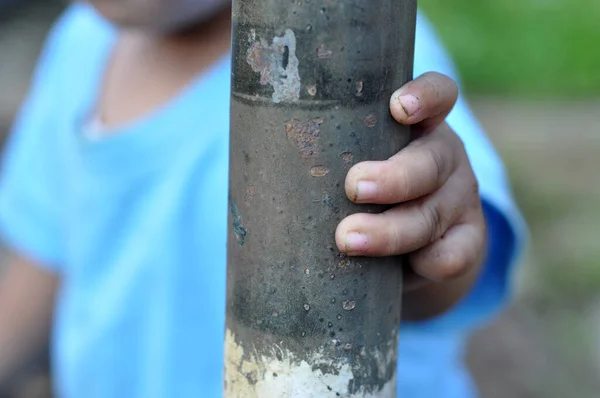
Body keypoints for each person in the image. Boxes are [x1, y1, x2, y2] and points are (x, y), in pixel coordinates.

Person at [0, 1, 526, 397]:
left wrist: (425, 241)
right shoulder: (80, 43)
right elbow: (45, 259)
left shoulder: (362, 40)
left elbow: (442, 263)